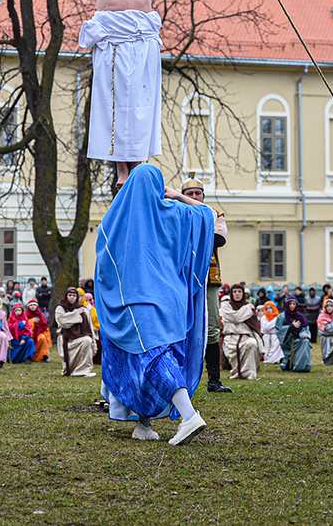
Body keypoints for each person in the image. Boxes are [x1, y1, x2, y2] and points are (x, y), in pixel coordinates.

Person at [0, 0, 236, 186]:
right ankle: (121, 167)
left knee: (141, 105)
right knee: (114, 103)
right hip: (112, 44)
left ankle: (137, 165)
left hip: (143, 44)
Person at [96, 164, 216, 446]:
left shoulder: (117, 220)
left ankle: (189, 416)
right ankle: (144, 423)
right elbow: (210, 215)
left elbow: (104, 259)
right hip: (173, 301)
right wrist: (177, 195)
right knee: (150, 358)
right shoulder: (175, 213)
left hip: (140, 302)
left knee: (151, 359)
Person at [179, 173, 232, 394]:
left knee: (211, 329)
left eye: (197, 193)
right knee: (180, 326)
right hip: (181, 277)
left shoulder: (214, 214)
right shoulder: (176, 213)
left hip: (209, 278)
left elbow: (219, 240)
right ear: (182, 196)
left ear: (203, 195)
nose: (194, 196)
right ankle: (179, 378)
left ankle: (214, 380)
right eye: (190, 193)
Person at [218, 284, 261, 380]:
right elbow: (234, 317)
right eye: (235, 292)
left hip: (246, 336)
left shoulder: (248, 306)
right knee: (234, 354)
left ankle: (250, 374)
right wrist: (246, 310)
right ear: (231, 294)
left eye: (239, 292)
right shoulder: (226, 305)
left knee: (252, 344)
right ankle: (238, 372)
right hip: (230, 337)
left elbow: (238, 318)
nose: (237, 294)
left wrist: (240, 315)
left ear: (243, 294)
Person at [53, 288, 97, 377]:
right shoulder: (60, 308)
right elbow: (63, 322)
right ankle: (70, 370)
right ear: (66, 296)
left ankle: (82, 371)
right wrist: (76, 313)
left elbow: (89, 327)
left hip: (79, 337)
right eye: (70, 295)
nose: (72, 297)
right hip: (66, 340)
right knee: (69, 363)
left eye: (74, 295)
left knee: (87, 340)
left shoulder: (83, 310)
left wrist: (94, 344)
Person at [274, 296, 312, 372]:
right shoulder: (282, 317)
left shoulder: (300, 316)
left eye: (294, 304)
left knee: (305, 342)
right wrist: (290, 327)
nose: (292, 306)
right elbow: (278, 330)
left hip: (299, 340)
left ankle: (302, 366)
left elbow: (305, 328)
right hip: (287, 341)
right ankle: (289, 364)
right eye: (290, 304)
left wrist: (304, 335)